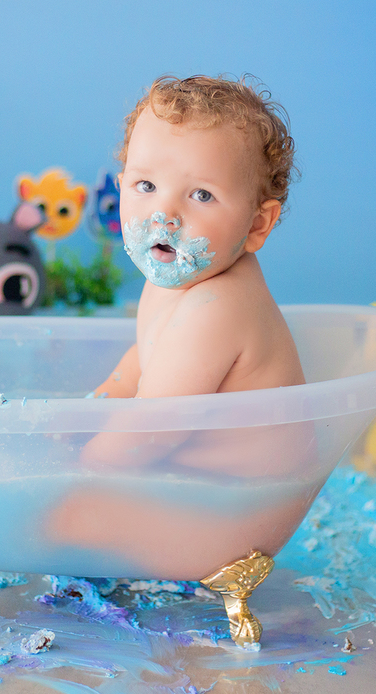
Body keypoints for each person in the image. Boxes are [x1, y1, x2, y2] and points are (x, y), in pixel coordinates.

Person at [79, 75, 307, 471]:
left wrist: (76, 467)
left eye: (202, 195)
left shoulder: (215, 307)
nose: (163, 214)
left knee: (52, 518)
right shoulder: (182, 273)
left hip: (240, 505)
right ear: (121, 187)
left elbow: (146, 434)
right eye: (145, 185)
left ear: (257, 224)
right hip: (202, 488)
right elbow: (148, 356)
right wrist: (92, 410)